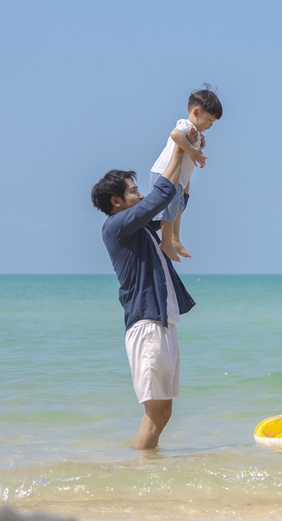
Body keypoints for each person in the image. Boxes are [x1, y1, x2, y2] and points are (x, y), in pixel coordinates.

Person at [91, 139, 195, 450]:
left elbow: (173, 203)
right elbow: (162, 195)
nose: (140, 194)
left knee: (163, 413)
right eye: (134, 190)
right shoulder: (117, 226)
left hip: (161, 321)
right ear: (117, 201)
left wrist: (187, 172)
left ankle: (146, 469)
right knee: (155, 412)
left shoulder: (137, 228)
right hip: (146, 325)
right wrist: (179, 146)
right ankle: (141, 471)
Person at [149, 86, 223, 261]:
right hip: (165, 173)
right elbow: (175, 135)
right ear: (197, 112)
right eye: (210, 120)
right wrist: (193, 152)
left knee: (178, 207)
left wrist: (198, 150)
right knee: (170, 208)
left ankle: (175, 239)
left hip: (179, 178)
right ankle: (166, 242)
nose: (210, 126)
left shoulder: (195, 132)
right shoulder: (185, 124)